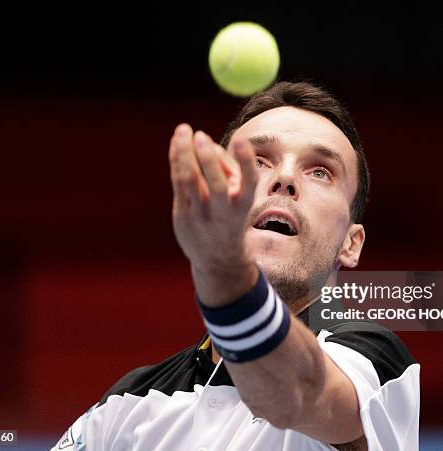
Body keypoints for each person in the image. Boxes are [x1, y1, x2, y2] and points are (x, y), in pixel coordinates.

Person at [51, 81, 420, 451]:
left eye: (320, 171)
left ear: (350, 243)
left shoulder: (374, 364)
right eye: (258, 161)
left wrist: (225, 270)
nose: (285, 178)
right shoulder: (127, 404)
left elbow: (296, 392)